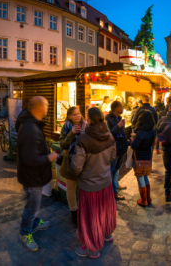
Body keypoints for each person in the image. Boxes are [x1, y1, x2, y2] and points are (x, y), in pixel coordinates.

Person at [70, 107, 117, 259]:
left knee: (90, 217)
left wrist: (77, 173)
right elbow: (112, 156)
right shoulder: (109, 135)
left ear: (89, 120)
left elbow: (76, 167)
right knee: (105, 211)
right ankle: (106, 234)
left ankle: (92, 247)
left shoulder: (84, 139)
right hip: (106, 182)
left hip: (89, 185)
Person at [16, 96, 59, 251]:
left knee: (34, 203)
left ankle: (34, 223)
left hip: (33, 175)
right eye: (46, 105)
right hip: (32, 176)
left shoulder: (32, 124)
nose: (48, 107)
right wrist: (50, 157)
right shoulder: (29, 128)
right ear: (39, 107)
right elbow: (30, 158)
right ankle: (25, 232)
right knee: (32, 207)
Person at [58, 106, 86, 226]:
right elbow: (63, 145)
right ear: (69, 116)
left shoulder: (85, 125)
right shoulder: (66, 127)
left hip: (84, 162)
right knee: (71, 189)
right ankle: (74, 212)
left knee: (84, 188)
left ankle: (84, 211)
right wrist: (71, 134)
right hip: (70, 162)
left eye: (78, 113)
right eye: (74, 114)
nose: (77, 116)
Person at [130, 110, 156, 206]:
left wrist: (132, 140)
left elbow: (134, 146)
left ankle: (144, 200)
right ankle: (148, 198)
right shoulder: (153, 130)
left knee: (140, 177)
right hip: (147, 157)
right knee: (145, 176)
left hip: (139, 158)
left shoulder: (140, 132)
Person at [105, 101, 128, 200]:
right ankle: (113, 192)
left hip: (122, 147)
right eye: (121, 106)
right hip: (114, 149)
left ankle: (116, 184)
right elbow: (108, 134)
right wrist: (117, 126)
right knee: (112, 170)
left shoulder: (119, 118)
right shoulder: (108, 119)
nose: (123, 108)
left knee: (117, 168)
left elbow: (122, 132)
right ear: (116, 108)